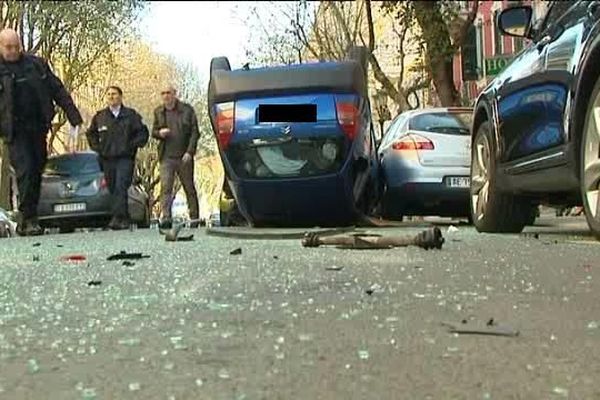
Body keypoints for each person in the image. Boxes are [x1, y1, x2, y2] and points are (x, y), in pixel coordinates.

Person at [0, 29, 83, 236]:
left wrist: (74, 117)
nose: (13, 51)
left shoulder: (36, 65)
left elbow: (57, 89)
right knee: (25, 170)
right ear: (1, 47)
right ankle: (27, 218)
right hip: (14, 131)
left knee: (36, 171)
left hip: (38, 128)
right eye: (8, 47)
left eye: (16, 47)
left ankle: (30, 215)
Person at [86, 86, 149, 230]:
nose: (111, 97)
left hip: (125, 158)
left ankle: (118, 218)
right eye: (108, 94)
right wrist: (98, 148)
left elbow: (142, 133)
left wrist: (132, 146)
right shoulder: (100, 117)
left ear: (120, 96)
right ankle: (123, 216)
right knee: (113, 187)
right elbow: (91, 134)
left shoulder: (130, 115)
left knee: (121, 185)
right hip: (107, 159)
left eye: (114, 94)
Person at [151, 85, 200, 229]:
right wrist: (160, 133)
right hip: (166, 156)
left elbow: (195, 133)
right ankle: (166, 218)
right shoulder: (158, 112)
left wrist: (189, 152)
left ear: (174, 94)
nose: (166, 96)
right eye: (163, 93)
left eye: (168, 93)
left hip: (184, 156)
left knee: (189, 188)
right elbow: (153, 131)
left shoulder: (187, 110)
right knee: (165, 188)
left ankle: (194, 217)